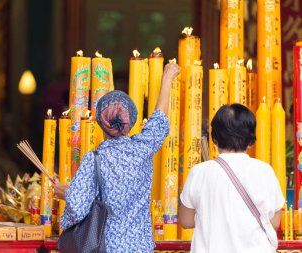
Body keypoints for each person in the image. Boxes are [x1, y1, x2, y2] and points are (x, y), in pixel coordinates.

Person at [53, 63, 180, 252]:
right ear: (130, 121)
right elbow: (159, 119)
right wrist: (167, 78)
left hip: (106, 248)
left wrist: (67, 194)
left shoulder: (93, 160)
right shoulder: (142, 149)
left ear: (101, 125)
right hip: (140, 248)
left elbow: (77, 208)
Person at [179, 104, 284, 253]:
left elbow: (186, 221)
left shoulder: (199, 172)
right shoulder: (265, 171)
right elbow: (274, 221)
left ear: (215, 138)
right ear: (251, 139)